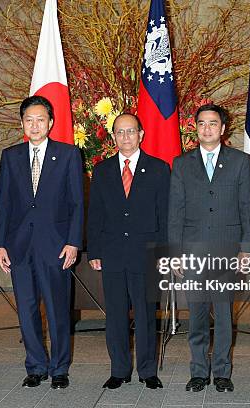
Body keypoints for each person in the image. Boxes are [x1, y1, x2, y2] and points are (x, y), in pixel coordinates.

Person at [0, 95, 84, 389]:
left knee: (58, 309)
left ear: (51, 122)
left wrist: (73, 242)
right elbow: (3, 204)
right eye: (29, 120)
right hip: (19, 246)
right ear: (22, 123)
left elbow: (77, 204)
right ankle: (35, 365)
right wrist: (0, 243)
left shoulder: (69, 154)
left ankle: (59, 368)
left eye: (40, 119)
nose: (34, 125)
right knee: (27, 308)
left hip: (56, 246)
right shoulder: (11, 156)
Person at [168, 104, 250, 393]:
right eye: (201, 124)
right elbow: (175, 212)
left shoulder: (241, 162)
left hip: (228, 250)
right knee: (198, 314)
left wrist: (246, 249)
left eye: (212, 123)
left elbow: (246, 207)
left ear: (223, 128)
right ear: (195, 127)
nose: (207, 129)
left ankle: (223, 372)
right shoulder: (181, 164)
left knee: (224, 313)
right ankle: (199, 371)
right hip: (193, 252)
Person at [87, 113, 169, 390]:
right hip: (111, 253)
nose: (125, 137)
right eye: (120, 132)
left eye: (131, 131)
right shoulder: (102, 170)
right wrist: (94, 251)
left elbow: (165, 214)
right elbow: (95, 214)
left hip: (146, 254)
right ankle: (119, 369)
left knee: (146, 315)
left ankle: (148, 370)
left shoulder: (158, 169)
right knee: (116, 315)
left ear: (141, 134)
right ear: (113, 137)